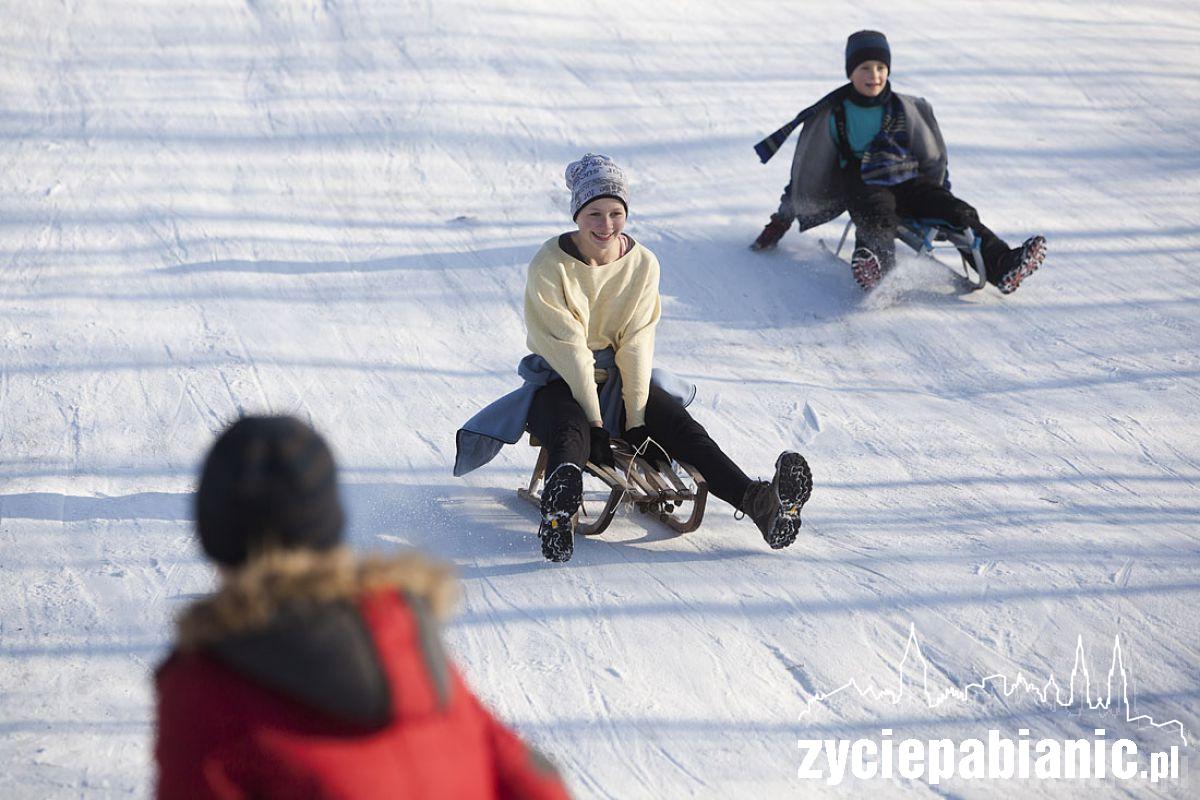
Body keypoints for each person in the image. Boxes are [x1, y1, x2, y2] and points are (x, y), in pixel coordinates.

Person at [155, 415, 570, 800]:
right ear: (327, 524)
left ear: (214, 535)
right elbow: (533, 780)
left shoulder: (210, 687)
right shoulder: (402, 633)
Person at [455, 154, 813, 563]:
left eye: (615, 213)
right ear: (577, 214)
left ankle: (759, 502)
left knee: (680, 426)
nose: (605, 225)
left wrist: (638, 419)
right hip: (559, 379)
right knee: (572, 431)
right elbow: (569, 349)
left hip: (619, 381)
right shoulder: (550, 265)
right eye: (594, 214)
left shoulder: (642, 264)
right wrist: (596, 423)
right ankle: (559, 510)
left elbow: (637, 342)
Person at [750, 30, 1046, 293]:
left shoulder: (905, 107)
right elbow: (806, 171)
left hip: (907, 177)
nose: (874, 75)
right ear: (850, 73)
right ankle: (875, 266)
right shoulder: (834, 113)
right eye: (865, 68)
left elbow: (931, 155)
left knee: (958, 211)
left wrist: (941, 190)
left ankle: (1003, 265)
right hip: (862, 181)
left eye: (880, 67)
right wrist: (780, 221)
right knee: (875, 216)